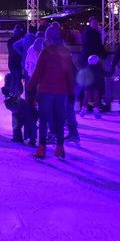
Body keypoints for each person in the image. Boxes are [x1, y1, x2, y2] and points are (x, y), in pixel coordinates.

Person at [26, 23, 74, 160]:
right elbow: (69, 75)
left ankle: (41, 149)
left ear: (47, 38)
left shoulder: (45, 53)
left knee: (44, 120)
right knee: (59, 119)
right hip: (61, 92)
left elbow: (37, 73)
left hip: (45, 91)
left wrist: (30, 89)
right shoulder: (65, 54)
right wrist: (71, 92)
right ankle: (60, 147)